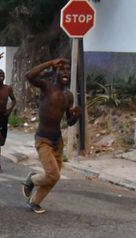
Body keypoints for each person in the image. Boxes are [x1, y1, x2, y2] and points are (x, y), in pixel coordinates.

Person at [22, 58, 81, 214]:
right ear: (56, 72)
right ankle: (32, 180)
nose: (65, 72)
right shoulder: (46, 87)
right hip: (43, 140)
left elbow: (69, 122)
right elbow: (29, 75)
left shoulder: (68, 96)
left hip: (57, 142)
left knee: (54, 177)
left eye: (68, 70)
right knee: (52, 175)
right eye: (62, 69)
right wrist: (50, 63)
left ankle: (35, 202)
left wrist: (77, 116)